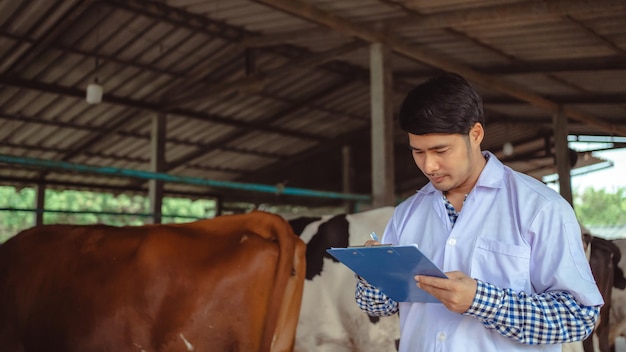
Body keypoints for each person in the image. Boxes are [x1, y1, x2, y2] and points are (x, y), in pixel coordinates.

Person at [355, 72, 603, 351]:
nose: (429, 166)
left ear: (475, 134)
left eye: (440, 150)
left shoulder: (540, 208)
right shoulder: (407, 213)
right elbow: (378, 307)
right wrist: (372, 273)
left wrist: (480, 301)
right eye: (418, 152)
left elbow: (579, 317)